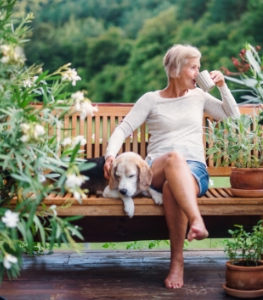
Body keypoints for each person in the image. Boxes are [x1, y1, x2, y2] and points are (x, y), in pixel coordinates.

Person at [103, 44, 240, 289]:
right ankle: (197, 220)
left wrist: (223, 86)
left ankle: (177, 262)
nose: (199, 73)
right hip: (155, 168)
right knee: (174, 158)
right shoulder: (151, 100)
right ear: (176, 69)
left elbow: (233, 118)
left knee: (170, 189)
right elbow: (123, 128)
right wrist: (110, 156)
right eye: (193, 67)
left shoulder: (199, 97)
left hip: (194, 171)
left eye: (199, 67)